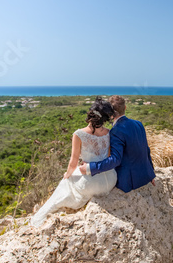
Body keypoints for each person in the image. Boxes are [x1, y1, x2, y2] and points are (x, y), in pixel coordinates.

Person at [30, 97, 117, 227]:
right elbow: (109, 156)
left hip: (92, 182)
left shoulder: (79, 134)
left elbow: (73, 162)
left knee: (65, 182)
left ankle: (38, 219)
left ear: (90, 114)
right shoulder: (109, 133)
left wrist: (67, 175)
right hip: (110, 179)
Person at [79, 95, 155, 193]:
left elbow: (115, 160)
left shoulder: (115, 131)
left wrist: (90, 168)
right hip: (145, 175)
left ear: (110, 114)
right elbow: (146, 150)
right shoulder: (138, 124)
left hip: (129, 182)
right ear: (125, 108)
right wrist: (151, 173)